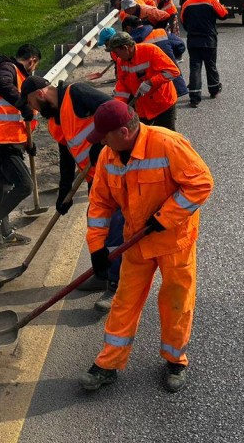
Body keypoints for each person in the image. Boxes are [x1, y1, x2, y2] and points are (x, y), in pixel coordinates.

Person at [79, 100, 214, 393]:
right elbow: (100, 203)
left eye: (106, 135)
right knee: (125, 302)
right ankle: (108, 364)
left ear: (125, 131)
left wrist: (165, 218)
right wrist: (97, 248)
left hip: (173, 241)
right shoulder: (108, 156)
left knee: (176, 301)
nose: (102, 141)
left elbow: (201, 183)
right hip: (135, 241)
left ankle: (176, 359)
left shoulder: (167, 144)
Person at [17, 75, 124, 311]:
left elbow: (115, 110)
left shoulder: (77, 94)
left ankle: (118, 287)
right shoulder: (55, 120)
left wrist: (102, 142)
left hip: (115, 172)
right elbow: (66, 155)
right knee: (96, 227)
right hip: (94, 178)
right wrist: (64, 191)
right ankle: (102, 273)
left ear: (40, 94)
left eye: (32, 104)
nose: (34, 110)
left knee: (115, 229)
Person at [0, 44, 41, 244]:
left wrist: (26, 143)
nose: (34, 69)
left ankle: (4, 232)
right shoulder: (7, 68)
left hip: (7, 140)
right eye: (35, 65)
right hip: (1, 142)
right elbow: (2, 86)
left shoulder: (21, 78)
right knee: (24, 185)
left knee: (3, 188)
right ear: (31, 60)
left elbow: (17, 117)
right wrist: (23, 104)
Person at [105, 31, 180, 131]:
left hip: (163, 103)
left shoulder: (150, 50)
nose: (116, 55)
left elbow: (173, 71)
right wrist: (118, 106)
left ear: (125, 48)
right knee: (143, 137)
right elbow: (122, 86)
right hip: (142, 107)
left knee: (167, 136)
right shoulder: (120, 61)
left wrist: (151, 82)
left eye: (116, 52)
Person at [179, 0, 229, 108]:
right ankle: (214, 90)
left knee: (195, 67)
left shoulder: (186, 4)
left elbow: (183, 22)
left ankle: (194, 98)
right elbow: (224, 15)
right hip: (209, 40)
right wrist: (218, 3)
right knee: (210, 65)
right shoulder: (211, 0)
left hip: (193, 40)